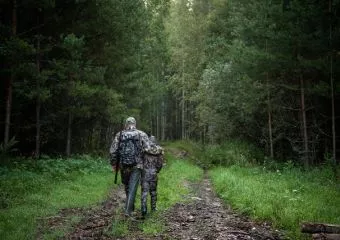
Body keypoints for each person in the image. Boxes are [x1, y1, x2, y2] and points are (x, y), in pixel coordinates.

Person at [109, 117, 149, 217]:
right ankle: (128, 210)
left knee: (127, 186)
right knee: (133, 187)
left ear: (126, 124)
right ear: (135, 124)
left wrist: (114, 164)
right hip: (137, 165)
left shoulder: (120, 134)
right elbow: (148, 149)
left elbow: (113, 151)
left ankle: (129, 208)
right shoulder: (141, 134)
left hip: (123, 164)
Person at [141, 135, 164, 218]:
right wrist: (157, 170)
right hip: (153, 173)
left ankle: (143, 208)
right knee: (153, 192)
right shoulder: (159, 150)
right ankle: (153, 208)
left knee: (144, 192)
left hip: (145, 173)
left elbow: (140, 160)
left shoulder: (144, 149)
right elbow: (160, 163)